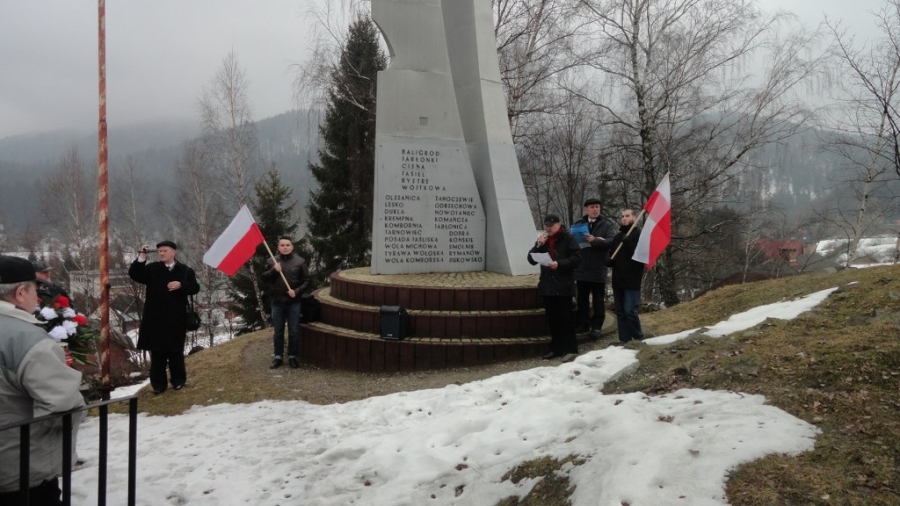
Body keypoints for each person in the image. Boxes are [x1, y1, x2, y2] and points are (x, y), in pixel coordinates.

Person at [0, 255, 86, 506]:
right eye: (34, 290)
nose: (36, 298)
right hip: (19, 471)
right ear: (20, 293)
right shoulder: (27, 340)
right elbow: (62, 407)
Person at [129, 241, 200, 393]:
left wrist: (181, 285)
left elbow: (195, 288)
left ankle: (178, 381)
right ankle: (159, 385)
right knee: (157, 354)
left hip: (176, 318)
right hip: (155, 318)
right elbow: (135, 275)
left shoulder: (185, 270)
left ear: (173, 252)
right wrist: (141, 257)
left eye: (165, 251)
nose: (161, 253)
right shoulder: (152, 269)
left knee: (176, 353)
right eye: (160, 251)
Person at [527, 214, 582, 361]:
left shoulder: (568, 238)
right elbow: (531, 259)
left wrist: (560, 264)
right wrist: (537, 246)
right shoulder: (543, 240)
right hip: (548, 285)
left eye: (551, 226)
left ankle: (570, 349)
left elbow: (577, 258)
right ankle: (556, 348)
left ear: (559, 224)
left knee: (566, 319)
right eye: (546, 226)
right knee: (553, 320)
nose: (548, 228)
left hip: (563, 285)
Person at [261, 236, 310, 369]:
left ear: (292, 247)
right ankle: (278, 357)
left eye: (287, 245)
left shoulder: (300, 261)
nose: (285, 247)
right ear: (278, 247)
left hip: (294, 302)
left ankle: (292, 356)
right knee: (278, 331)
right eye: (282, 245)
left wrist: (297, 291)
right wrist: (273, 270)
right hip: (277, 302)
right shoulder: (271, 261)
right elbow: (263, 278)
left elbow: (307, 280)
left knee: (294, 331)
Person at [572, 197, 617, 340]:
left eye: (597, 207)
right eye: (592, 207)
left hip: (598, 267)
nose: (595, 209)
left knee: (598, 300)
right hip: (582, 267)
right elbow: (571, 242)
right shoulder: (578, 224)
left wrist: (595, 240)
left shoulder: (607, 224)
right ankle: (583, 324)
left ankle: (597, 326)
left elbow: (612, 241)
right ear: (586, 209)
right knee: (582, 300)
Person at [609, 209, 645, 343]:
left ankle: (638, 337)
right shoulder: (618, 237)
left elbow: (639, 257)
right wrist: (608, 261)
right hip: (618, 279)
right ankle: (624, 340)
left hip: (632, 280)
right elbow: (612, 254)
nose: (624, 218)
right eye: (622, 216)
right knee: (620, 312)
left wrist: (628, 242)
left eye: (627, 216)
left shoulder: (639, 235)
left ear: (634, 217)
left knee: (630, 311)